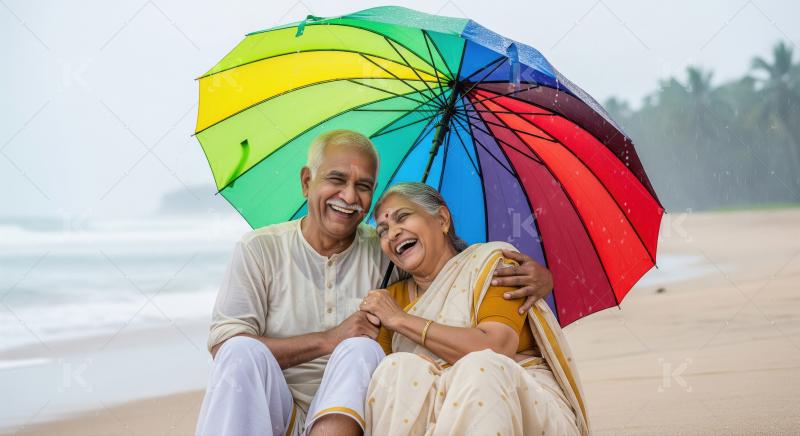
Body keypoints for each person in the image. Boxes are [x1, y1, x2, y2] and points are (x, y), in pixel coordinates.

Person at [195, 130, 555, 436]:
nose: (350, 197)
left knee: (362, 350)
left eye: (363, 186)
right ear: (307, 181)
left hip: (354, 417)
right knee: (241, 350)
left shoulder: (387, 252)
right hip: (272, 412)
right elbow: (225, 347)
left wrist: (542, 278)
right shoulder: (260, 249)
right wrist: (329, 339)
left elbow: (448, 273)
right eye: (337, 180)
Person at [360, 182, 589, 436]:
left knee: (480, 368)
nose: (392, 234)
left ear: (442, 219)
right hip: (435, 419)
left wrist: (402, 321)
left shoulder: (491, 264)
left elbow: (497, 346)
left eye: (403, 217)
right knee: (396, 369)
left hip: (515, 402)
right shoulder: (389, 300)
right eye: (382, 230)